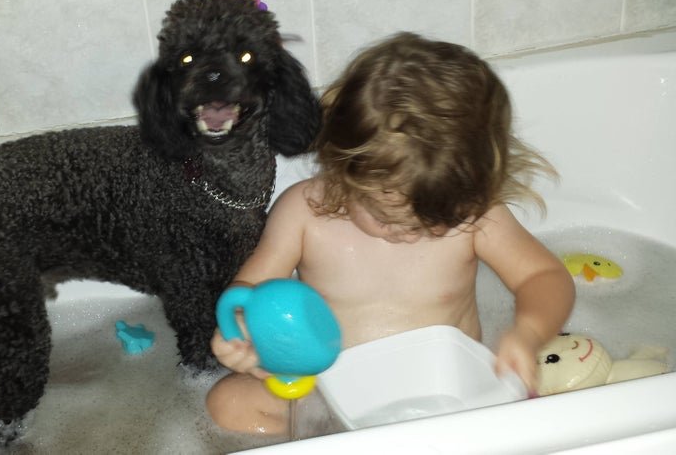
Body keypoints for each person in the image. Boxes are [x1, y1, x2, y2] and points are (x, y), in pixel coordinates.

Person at [205, 32, 576, 435]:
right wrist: (240, 333)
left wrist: (528, 333)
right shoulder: (302, 213)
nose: (407, 233)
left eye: (432, 222)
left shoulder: (474, 216)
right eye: (387, 216)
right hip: (335, 396)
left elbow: (545, 277)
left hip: (449, 402)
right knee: (228, 404)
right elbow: (251, 289)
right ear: (344, 167)